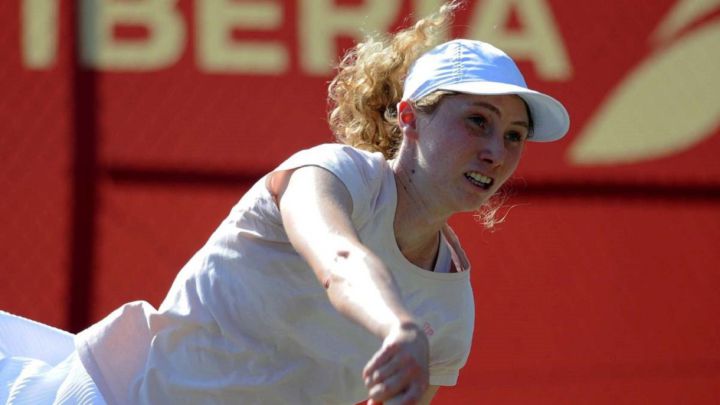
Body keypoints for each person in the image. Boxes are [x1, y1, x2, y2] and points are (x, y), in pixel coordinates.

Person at [0, 1, 569, 404]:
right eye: (478, 121)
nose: (497, 150)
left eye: (515, 136)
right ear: (409, 119)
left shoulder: (451, 308)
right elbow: (340, 262)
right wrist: (400, 326)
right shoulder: (332, 173)